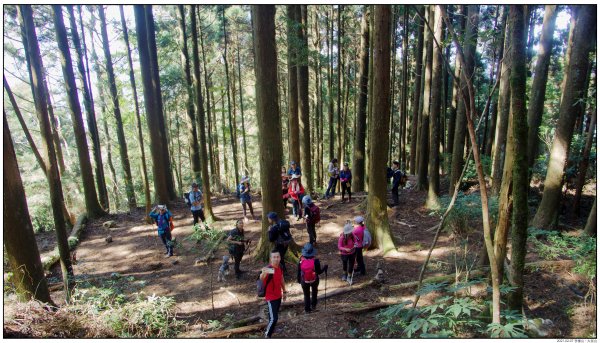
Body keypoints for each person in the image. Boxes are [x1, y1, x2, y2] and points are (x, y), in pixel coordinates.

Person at [260, 249, 287, 338]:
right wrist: (263, 273)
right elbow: (262, 278)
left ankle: (272, 328)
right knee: (274, 318)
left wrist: (285, 291)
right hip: (271, 298)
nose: (276, 259)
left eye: (277, 257)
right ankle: (267, 335)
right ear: (271, 259)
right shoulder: (269, 269)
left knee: (273, 315)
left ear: (280, 258)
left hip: (278, 295)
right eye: (274, 257)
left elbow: (281, 279)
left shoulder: (280, 267)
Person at [296, 243, 328, 313]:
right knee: (314, 292)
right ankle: (313, 306)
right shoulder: (316, 261)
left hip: (304, 281)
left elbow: (299, 271)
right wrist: (324, 268)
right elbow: (319, 272)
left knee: (306, 294)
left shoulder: (301, 260)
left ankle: (307, 309)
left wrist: (299, 280)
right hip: (314, 280)